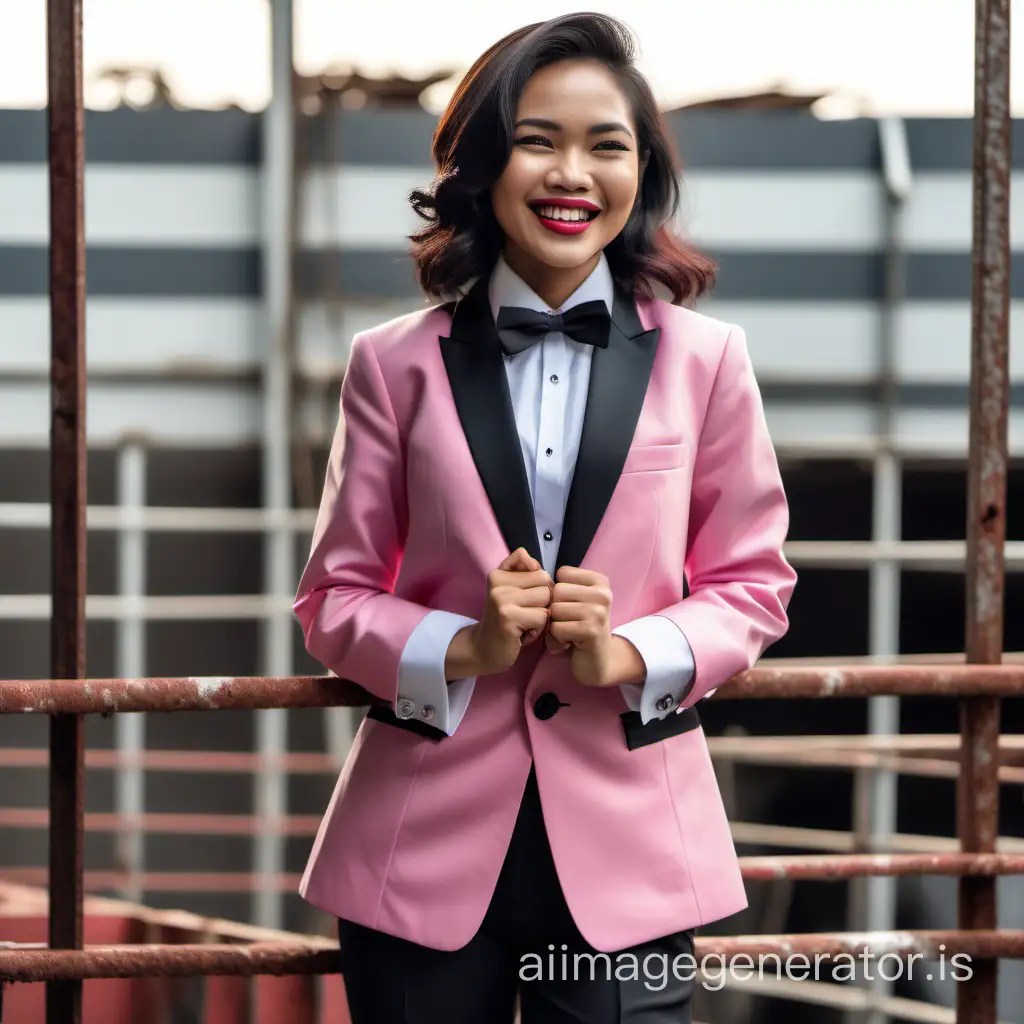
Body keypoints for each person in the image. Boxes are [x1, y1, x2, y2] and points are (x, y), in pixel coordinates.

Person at [293, 11, 797, 1023]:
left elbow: (753, 581)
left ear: (640, 171)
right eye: (538, 140)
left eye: (605, 145)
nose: (572, 172)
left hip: (633, 842)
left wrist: (634, 651)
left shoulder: (709, 361)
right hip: (420, 850)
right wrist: (462, 643)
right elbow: (334, 595)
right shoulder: (389, 363)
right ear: (483, 161)